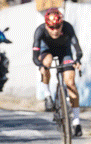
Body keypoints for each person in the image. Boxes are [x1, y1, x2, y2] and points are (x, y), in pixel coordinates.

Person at [32, 7, 84, 136]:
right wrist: (40, 65)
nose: (55, 31)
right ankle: (48, 94)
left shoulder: (67, 27)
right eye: (51, 27)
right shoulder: (40, 30)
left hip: (64, 51)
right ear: (46, 25)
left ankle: (76, 122)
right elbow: (34, 55)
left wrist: (77, 59)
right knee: (46, 63)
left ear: (62, 24)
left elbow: (77, 48)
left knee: (70, 83)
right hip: (47, 51)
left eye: (58, 26)